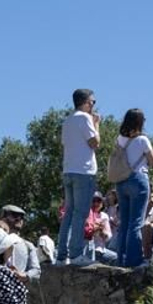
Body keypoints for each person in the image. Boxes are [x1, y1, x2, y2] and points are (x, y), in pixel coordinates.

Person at [59, 89, 100, 265]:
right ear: (86, 102)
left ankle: (61, 256)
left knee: (68, 213)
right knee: (80, 213)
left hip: (68, 170)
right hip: (83, 172)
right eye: (92, 102)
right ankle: (76, 254)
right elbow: (95, 143)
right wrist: (96, 124)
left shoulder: (67, 120)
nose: (93, 105)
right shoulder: (85, 118)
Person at [112, 111, 153, 269]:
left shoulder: (120, 139)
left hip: (121, 181)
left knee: (124, 222)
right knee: (136, 222)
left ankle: (121, 258)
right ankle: (134, 260)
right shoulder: (143, 139)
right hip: (138, 179)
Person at [83, 194, 116, 264]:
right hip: (88, 249)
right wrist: (92, 230)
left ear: (102, 203)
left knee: (117, 257)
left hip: (101, 249)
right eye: (93, 201)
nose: (96, 203)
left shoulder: (104, 216)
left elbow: (108, 237)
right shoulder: (84, 215)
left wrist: (101, 231)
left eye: (98, 201)